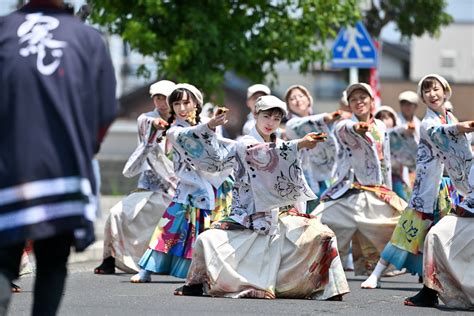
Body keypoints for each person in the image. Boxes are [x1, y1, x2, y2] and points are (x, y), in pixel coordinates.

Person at [0, 0, 117, 314]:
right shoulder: (88, 39)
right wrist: (82, 149)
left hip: (7, 170)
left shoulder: (4, 30)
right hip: (63, 170)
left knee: (2, 262)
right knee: (52, 263)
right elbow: (105, 112)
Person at [177, 95, 350, 300]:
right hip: (250, 217)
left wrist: (298, 147)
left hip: (283, 216)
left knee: (324, 234)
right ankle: (195, 285)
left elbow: (290, 169)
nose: (271, 123)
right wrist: (299, 144)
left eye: (276, 119)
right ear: (256, 115)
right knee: (205, 240)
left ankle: (328, 289)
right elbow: (260, 153)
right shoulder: (245, 144)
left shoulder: (282, 144)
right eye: (266, 116)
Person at [371, 74, 473, 309]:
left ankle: (432, 286)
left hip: (450, 188)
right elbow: (440, 132)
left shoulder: (449, 115)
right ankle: (376, 273)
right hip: (428, 188)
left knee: (440, 240)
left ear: (445, 91)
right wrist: (459, 127)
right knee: (408, 233)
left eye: (435, 89)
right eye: (426, 90)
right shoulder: (427, 122)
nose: (432, 93)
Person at [130, 83, 235, 282]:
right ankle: (147, 269)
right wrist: (210, 125)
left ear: (196, 103)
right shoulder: (174, 130)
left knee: (217, 233)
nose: (181, 108)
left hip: (217, 186)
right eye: (176, 103)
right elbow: (191, 136)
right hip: (190, 187)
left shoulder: (208, 124)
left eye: (186, 102)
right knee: (170, 229)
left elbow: (220, 149)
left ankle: (210, 272)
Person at [312, 83, 407, 276]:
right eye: (353, 99)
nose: (358, 102)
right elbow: (346, 129)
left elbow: (385, 160)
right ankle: (311, 270)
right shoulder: (342, 125)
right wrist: (357, 127)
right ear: (348, 104)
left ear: (372, 101)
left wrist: (388, 189)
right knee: (315, 224)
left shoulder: (380, 126)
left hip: (375, 190)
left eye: (363, 98)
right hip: (347, 190)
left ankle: (384, 266)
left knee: (405, 221)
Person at [94, 80, 177, 274]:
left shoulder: (182, 121)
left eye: (165, 97)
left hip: (178, 189)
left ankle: (165, 263)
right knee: (117, 213)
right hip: (149, 187)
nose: (161, 102)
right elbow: (148, 123)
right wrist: (155, 125)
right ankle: (109, 257)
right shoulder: (146, 119)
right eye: (157, 98)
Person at [284, 85, 341, 210]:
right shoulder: (291, 125)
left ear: (309, 99)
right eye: (292, 98)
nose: (298, 100)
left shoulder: (324, 124)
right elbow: (299, 125)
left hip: (328, 177)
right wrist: (327, 118)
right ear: (288, 105)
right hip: (304, 180)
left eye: (300, 96)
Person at [374, 105, 418, 201]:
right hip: (379, 179)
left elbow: (412, 154)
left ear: (394, 119)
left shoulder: (399, 135)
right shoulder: (375, 135)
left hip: (398, 176)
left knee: (402, 200)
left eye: (387, 117)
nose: (384, 121)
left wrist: (407, 132)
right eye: (380, 118)